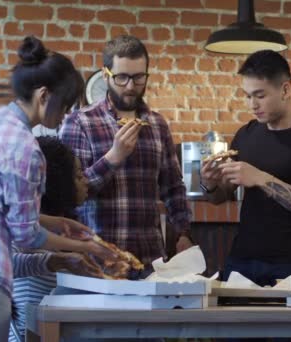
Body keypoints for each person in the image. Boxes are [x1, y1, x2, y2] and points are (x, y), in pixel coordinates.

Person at [0, 36, 116, 342]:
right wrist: (85, 246)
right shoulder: (25, 148)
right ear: (44, 95)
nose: (66, 114)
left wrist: (56, 223)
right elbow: (26, 235)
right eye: (65, 105)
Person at [200, 50, 291, 298]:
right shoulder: (245, 134)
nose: (252, 105)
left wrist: (261, 178)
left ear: (285, 90)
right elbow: (219, 197)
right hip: (242, 260)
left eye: (260, 95)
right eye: (247, 96)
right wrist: (210, 184)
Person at [59, 35, 193, 277]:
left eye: (138, 77)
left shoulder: (157, 124)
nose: (130, 86)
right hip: (98, 263)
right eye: (122, 77)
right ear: (105, 74)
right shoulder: (79, 122)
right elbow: (68, 196)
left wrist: (183, 233)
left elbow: (173, 187)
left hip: (150, 262)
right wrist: (113, 157)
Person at [9, 136, 91, 342]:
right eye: (79, 175)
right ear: (58, 183)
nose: (86, 181)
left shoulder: (64, 228)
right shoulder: (25, 231)